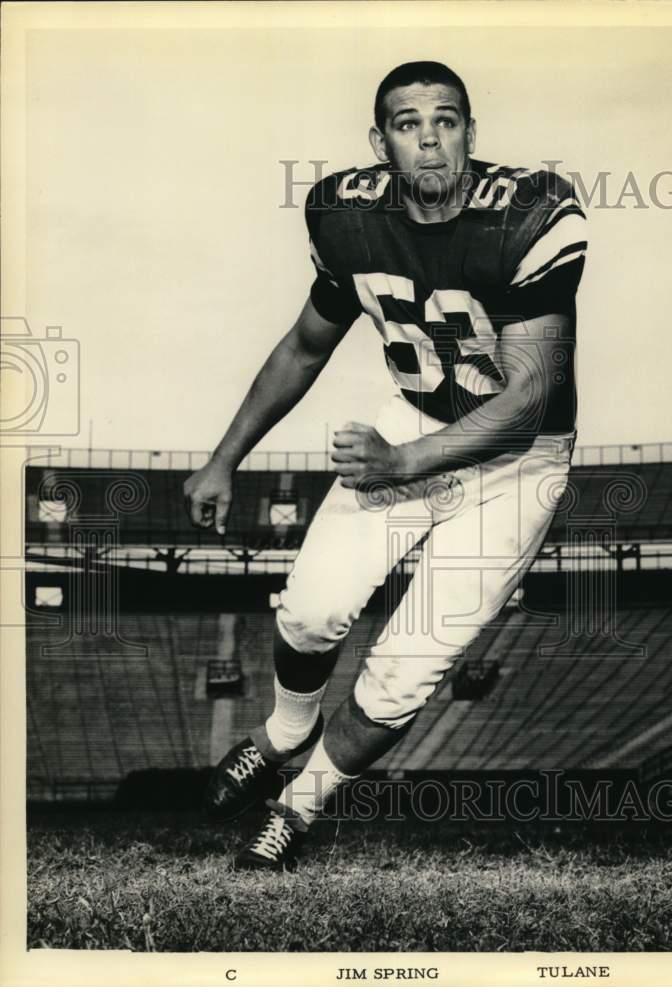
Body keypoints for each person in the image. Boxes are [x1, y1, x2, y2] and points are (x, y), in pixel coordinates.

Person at [184, 61, 587, 871]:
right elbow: (305, 344)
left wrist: (400, 461)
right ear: (381, 141)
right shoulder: (346, 214)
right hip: (414, 421)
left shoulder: (531, 213)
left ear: (472, 131)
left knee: (402, 674)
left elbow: (528, 402)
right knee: (308, 612)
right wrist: (223, 460)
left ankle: (298, 808)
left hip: (517, 463)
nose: (431, 138)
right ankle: (285, 732)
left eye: (448, 120)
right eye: (409, 123)